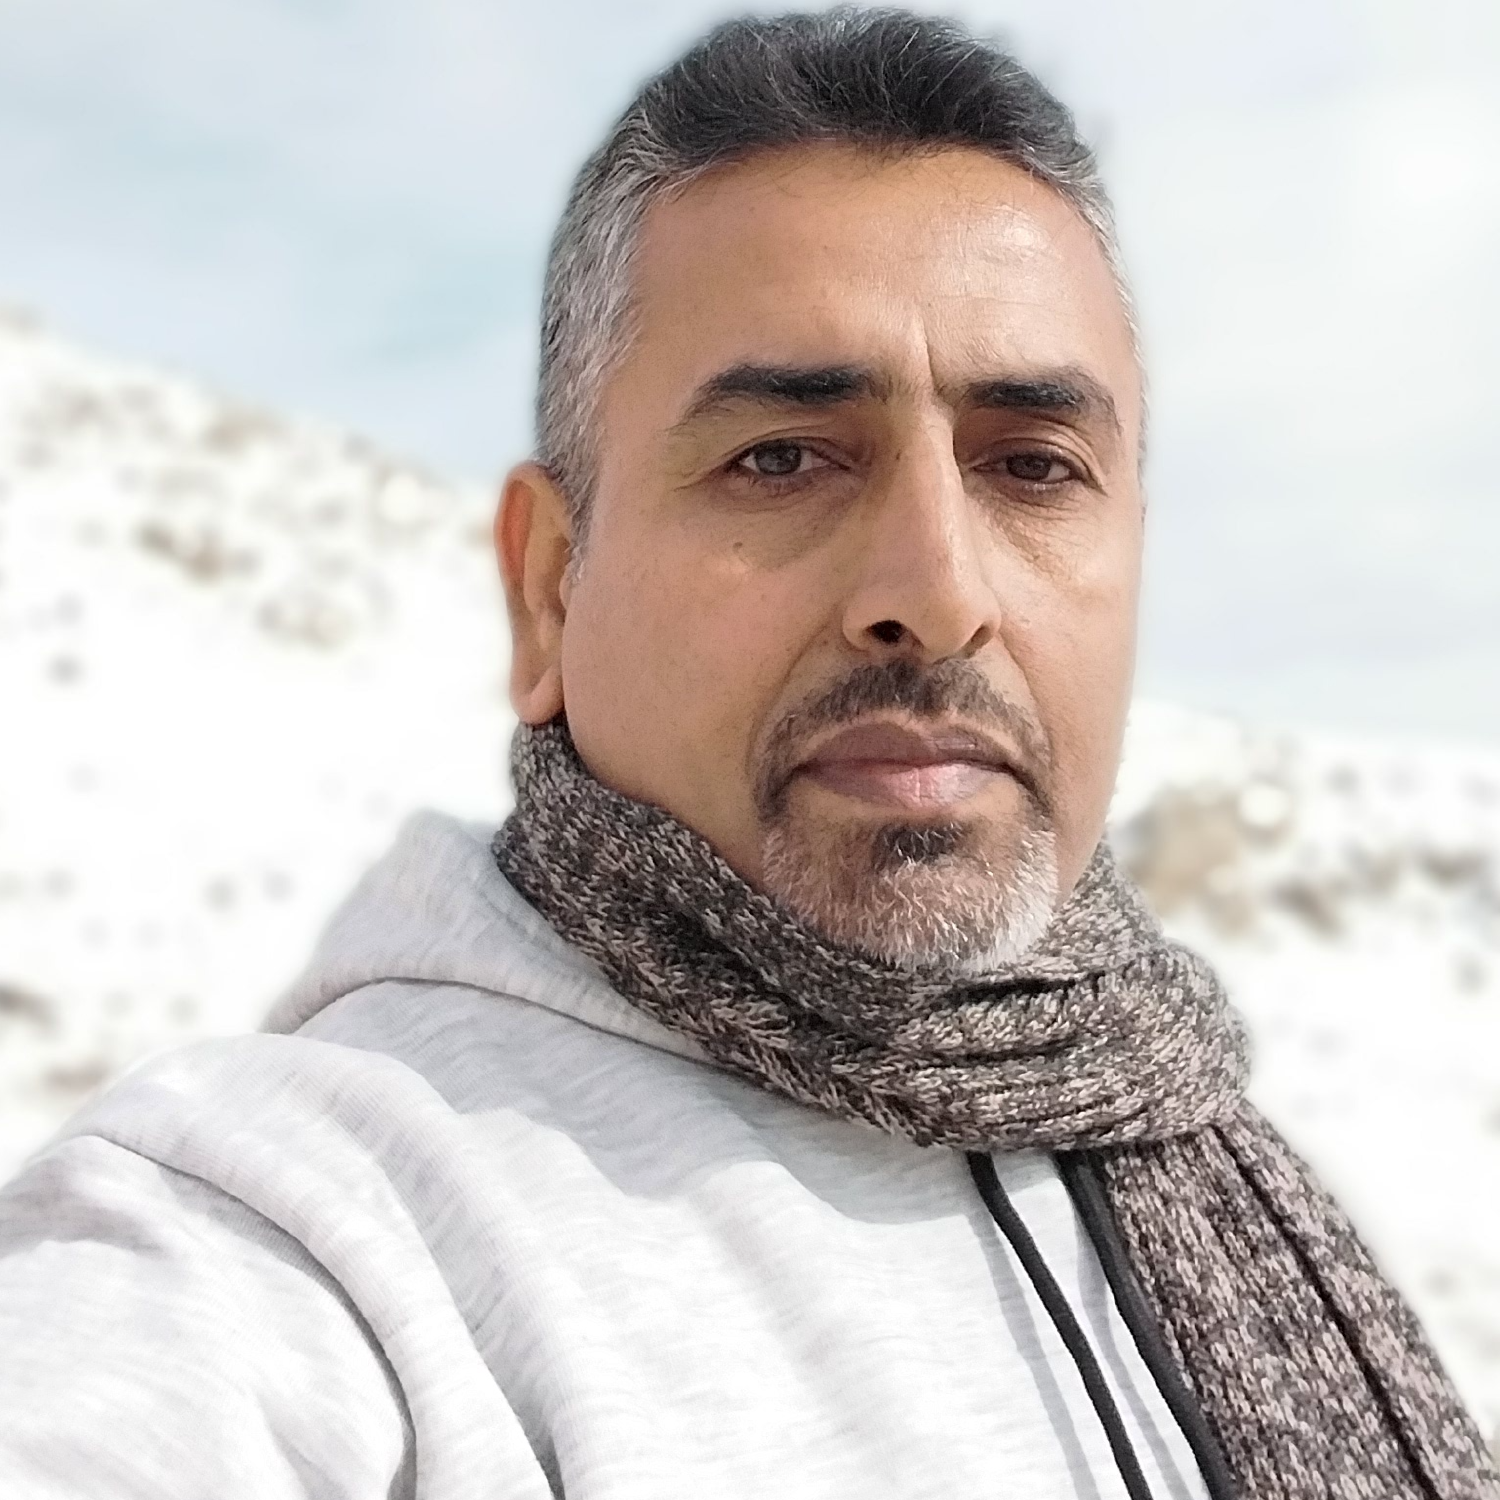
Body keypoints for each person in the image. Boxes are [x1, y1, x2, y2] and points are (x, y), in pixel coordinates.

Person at [0, 9, 1493, 1499]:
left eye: (1033, 467)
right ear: (549, 589)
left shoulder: (1177, 1138)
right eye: (782, 459)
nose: (937, 592)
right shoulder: (297, 1241)